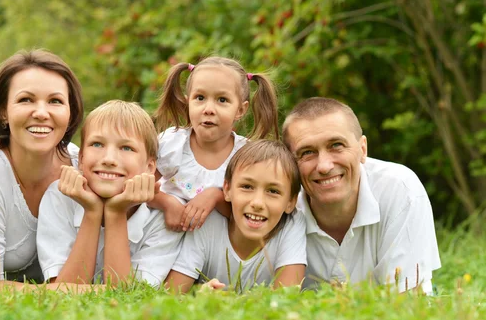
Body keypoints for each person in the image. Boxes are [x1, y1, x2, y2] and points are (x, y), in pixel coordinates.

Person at [281, 97, 441, 293]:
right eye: (307, 152)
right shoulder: (279, 204)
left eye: (336, 145)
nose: (324, 166)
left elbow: (407, 304)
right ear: (290, 163)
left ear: (362, 149)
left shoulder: (400, 189)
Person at [0, 49, 84, 288]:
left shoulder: (82, 165)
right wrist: (63, 293)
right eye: (26, 99)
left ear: (70, 112)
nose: (42, 113)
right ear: (4, 111)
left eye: (55, 101)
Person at [37, 100, 184, 287]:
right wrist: (92, 212)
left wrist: (116, 212)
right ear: (81, 159)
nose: (109, 159)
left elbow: (125, 298)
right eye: (97, 144)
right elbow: (64, 290)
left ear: (149, 167)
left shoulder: (162, 220)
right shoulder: (59, 197)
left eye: (126, 148)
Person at [151, 56, 280, 233]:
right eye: (200, 97)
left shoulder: (247, 156)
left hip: (214, 250)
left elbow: (243, 214)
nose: (209, 109)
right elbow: (138, 189)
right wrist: (166, 203)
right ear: (188, 102)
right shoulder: (173, 144)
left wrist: (216, 197)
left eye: (222, 100)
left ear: (240, 110)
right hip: (161, 244)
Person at [165, 140, 307, 294]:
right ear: (227, 189)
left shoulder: (292, 224)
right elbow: (171, 295)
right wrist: (200, 296)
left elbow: (286, 298)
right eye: (247, 187)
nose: (257, 203)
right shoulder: (208, 222)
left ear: (291, 202)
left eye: (273, 191)